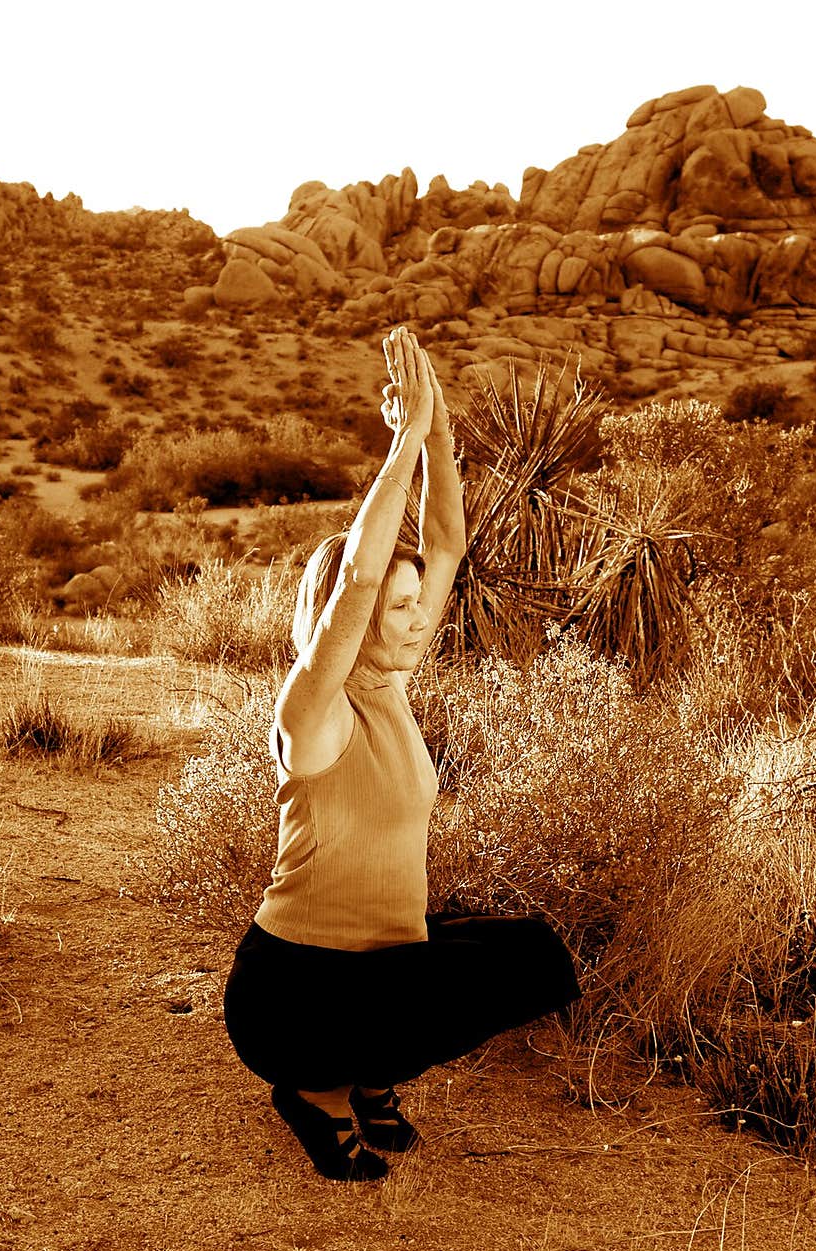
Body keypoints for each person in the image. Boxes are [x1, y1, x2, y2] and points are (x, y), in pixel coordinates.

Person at [223, 326, 580, 1181]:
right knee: (413, 991)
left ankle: (372, 1071)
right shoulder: (315, 710)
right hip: (293, 993)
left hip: (379, 972)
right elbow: (354, 583)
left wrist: (439, 424)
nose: (420, 617)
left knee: (530, 956)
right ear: (350, 619)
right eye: (401, 604)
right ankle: (313, 1091)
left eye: (421, 603)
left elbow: (449, 542)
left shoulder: (391, 685)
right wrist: (402, 441)